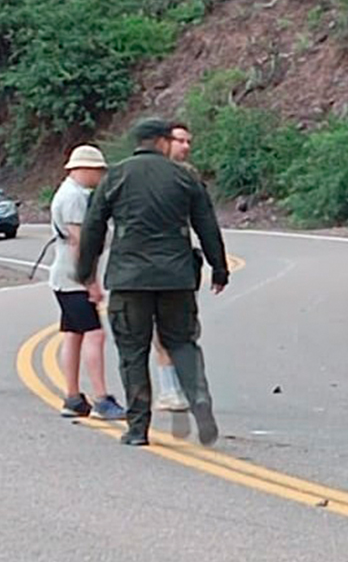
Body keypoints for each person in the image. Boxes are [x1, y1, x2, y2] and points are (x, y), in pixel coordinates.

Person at [76, 118, 229, 447]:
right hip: (177, 278)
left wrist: (86, 273)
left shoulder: (115, 176)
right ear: (163, 142)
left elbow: (93, 228)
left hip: (129, 281)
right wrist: (219, 268)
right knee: (182, 343)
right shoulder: (185, 177)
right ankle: (200, 404)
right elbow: (207, 225)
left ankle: (137, 428)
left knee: (133, 352)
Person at [49, 145, 126, 421]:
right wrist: (90, 281)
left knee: (73, 333)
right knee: (95, 333)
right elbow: (81, 243)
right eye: (97, 170)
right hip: (73, 278)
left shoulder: (74, 194)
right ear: (84, 170)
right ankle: (101, 398)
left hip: (65, 276)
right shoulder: (74, 198)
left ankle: (72, 396)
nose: (100, 176)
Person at [152, 122, 195, 412]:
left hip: (180, 261)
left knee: (182, 328)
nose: (185, 146)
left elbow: (201, 217)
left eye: (188, 141)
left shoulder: (189, 176)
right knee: (159, 329)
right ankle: (168, 389)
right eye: (180, 140)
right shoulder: (148, 173)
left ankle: (177, 386)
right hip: (152, 263)